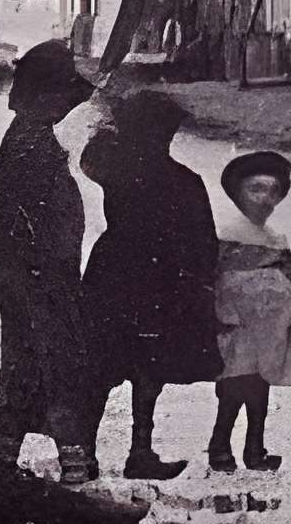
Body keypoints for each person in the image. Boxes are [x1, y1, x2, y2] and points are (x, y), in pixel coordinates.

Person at [79, 88, 222, 482]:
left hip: (113, 274)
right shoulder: (183, 182)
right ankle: (139, 451)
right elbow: (203, 243)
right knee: (148, 368)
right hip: (160, 283)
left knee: (103, 367)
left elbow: (89, 157)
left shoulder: (117, 171)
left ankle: (86, 455)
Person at [0, 41, 102, 488]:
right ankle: (72, 463)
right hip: (40, 278)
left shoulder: (24, 137)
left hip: (24, 275)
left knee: (20, 363)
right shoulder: (32, 144)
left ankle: (6, 459)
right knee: (60, 365)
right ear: (46, 97)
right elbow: (29, 217)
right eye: (60, 99)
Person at [208, 149, 291, 474]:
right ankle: (221, 446)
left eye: (272, 192)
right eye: (256, 189)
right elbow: (213, 278)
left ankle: (255, 449)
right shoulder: (224, 235)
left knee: (259, 390)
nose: (265, 199)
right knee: (234, 388)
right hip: (236, 327)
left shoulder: (276, 240)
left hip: (269, 331)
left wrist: (289, 301)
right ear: (238, 192)